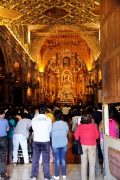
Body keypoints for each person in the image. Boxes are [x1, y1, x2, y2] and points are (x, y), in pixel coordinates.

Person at [74, 112, 99, 180]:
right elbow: (97, 136)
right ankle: (92, 178)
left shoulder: (80, 126)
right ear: (90, 119)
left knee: (84, 163)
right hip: (92, 145)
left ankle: (83, 178)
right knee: (92, 163)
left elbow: (76, 137)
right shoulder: (93, 125)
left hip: (83, 145)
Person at [30, 106, 53, 180]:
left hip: (36, 140)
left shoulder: (33, 119)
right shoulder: (48, 119)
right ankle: (47, 176)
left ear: (38, 111)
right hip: (45, 140)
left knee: (35, 158)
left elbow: (33, 129)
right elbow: (50, 130)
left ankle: (33, 176)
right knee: (46, 159)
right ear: (45, 112)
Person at [51, 110, 69, 180]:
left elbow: (50, 134)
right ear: (61, 116)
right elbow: (67, 132)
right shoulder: (65, 123)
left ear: (54, 116)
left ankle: (57, 175)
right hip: (64, 142)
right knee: (63, 159)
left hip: (55, 143)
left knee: (57, 159)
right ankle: (64, 175)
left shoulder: (53, 124)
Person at [0, 109, 10, 180]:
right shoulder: (5, 121)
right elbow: (7, 129)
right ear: (2, 114)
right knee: (2, 158)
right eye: (3, 114)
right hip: (3, 139)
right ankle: (3, 175)